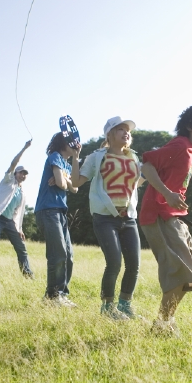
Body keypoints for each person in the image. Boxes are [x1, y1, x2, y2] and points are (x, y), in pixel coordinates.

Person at [139, 105, 192, 335]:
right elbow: (147, 166)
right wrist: (166, 194)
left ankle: (166, 321)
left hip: (175, 217)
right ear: (191, 125)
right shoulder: (180, 146)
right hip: (159, 215)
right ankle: (162, 325)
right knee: (180, 271)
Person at [70, 116, 144, 320]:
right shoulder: (96, 157)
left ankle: (125, 305)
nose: (126, 132)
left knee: (134, 264)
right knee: (114, 262)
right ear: (109, 135)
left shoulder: (134, 158)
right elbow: (76, 181)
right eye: (120, 129)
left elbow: (136, 183)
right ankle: (107, 308)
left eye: (127, 130)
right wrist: (76, 157)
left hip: (128, 218)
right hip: (105, 217)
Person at [35, 132, 79, 307]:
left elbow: (74, 188)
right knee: (58, 253)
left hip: (59, 211)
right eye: (72, 143)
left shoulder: (67, 164)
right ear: (64, 144)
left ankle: (61, 295)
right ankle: (53, 296)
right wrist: (64, 181)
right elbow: (61, 184)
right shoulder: (55, 157)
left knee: (68, 255)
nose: (75, 146)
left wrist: (67, 174)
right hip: (47, 210)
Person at [0, 140, 34, 280]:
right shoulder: (8, 181)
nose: (23, 175)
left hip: (9, 222)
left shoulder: (22, 193)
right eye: (21, 173)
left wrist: (20, 229)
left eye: (25, 174)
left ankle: (27, 275)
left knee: (21, 248)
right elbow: (13, 164)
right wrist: (24, 148)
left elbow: (19, 213)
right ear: (15, 173)